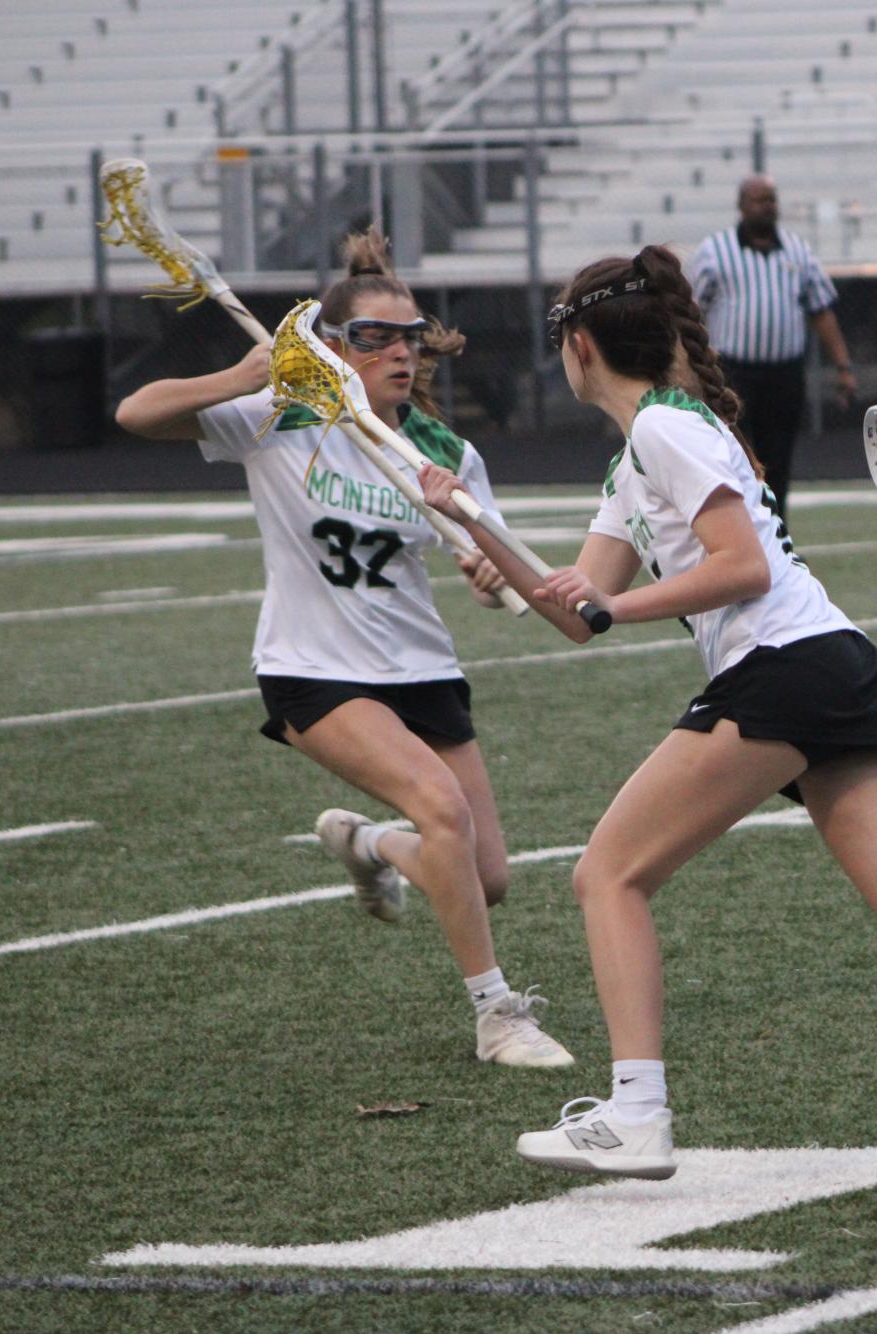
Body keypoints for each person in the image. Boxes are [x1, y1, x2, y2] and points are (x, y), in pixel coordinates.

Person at [418, 244, 877, 1196]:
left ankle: (637, 1115)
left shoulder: (663, 431)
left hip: (781, 667)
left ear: (582, 347)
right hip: (830, 666)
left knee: (608, 875)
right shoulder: (641, 450)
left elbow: (742, 569)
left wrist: (615, 606)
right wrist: (476, 524)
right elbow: (575, 611)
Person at [114, 228, 573, 1070]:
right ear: (332, 345)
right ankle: (498, 1014)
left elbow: (492, 561)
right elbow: (135, 414)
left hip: (422, 668)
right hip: (314, 670)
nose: (400, 351)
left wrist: (479, 557)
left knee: (484, 876)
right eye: (375, 337)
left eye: (410, 335)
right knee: (442, 808)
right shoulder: (278, 417)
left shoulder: (442, 450)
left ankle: (367, 846)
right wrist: (245, 375)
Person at [685, 173, 857, 521]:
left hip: (784, 373)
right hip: (732, 373)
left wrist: (843, 367)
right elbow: (691, 314)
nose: (767, 206)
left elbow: (821, 312)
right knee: (734, 456)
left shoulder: (798, 251)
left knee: (778, 458)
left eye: (771, 199)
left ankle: (779, 538)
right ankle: (742, 535)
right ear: (741, 206)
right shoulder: (715, 253)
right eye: (759, 200)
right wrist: (691, 367)